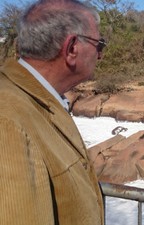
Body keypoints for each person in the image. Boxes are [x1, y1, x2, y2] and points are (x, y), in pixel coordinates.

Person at [0, 0, 106, 224]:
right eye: (99, 45)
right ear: (72, 48)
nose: (100, 56)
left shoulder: (37, 98)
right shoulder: (7, 120)